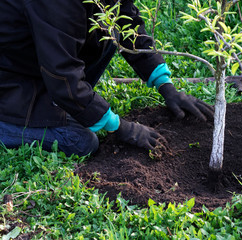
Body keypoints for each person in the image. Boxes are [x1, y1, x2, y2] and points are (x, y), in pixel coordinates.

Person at [0, 0, 213, 156]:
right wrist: (121, 127)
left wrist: (166, 85)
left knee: (108, 31)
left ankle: (67, 105)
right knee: (81, 141)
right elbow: (62, 72)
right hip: (11, 81)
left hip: (38, 62)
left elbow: (127, 23)